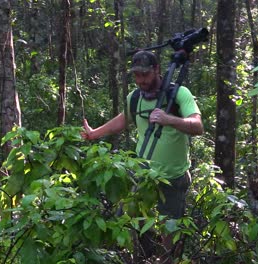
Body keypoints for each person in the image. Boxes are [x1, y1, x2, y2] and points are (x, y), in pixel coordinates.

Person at [80, 50, 204, 261]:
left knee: (170, 231)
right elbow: (122, 120)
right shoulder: (135, 97)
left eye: (145, 74)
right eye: (137, 75)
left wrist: (170, 119)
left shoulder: (179, 93)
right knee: (128, 220)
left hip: (173, 176)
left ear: (156, 70)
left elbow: (198, 126)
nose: (141, 80)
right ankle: (139, 257)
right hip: (142, 174)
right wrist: (94, 134)